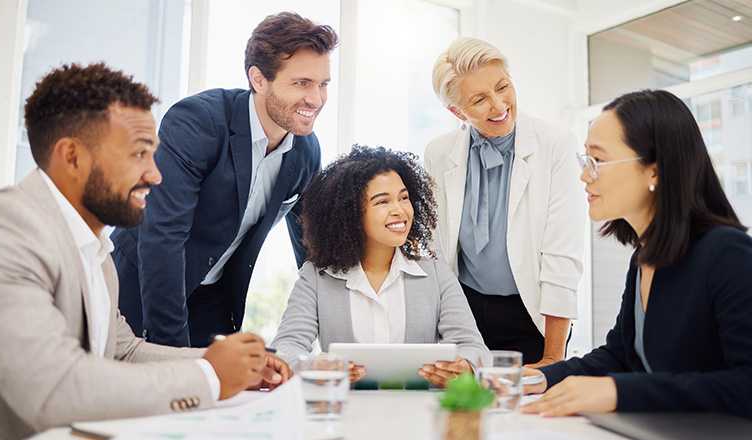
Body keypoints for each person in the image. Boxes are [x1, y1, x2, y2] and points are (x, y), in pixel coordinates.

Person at [0, 63, 292, 440]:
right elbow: (53, 387)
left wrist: (233, 366)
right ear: (71, 157)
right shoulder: (7, 229)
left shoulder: (93, 246)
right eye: (138, 154)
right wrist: (208, 377)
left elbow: (124, 350)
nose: (155, 174)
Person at [110, 12, 338, 348]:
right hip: (143, 283)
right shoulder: (199, 121)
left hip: (214, 296)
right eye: (302, 83)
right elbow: (163, 237)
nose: (317, 99)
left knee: (224, 392)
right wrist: (175, 356)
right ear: (259, 80)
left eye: (323, 84)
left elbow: (312, 250)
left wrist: (332, 341)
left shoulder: (306, 150)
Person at [521, 89, 752, 419]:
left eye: (598, 161)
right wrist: (541, 377)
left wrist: (618, 392)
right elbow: (619, 356)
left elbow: (746, 384)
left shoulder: (727, 254)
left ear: (654, 171)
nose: (585, 175)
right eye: (584, 161)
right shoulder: (645, 257)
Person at [271, 145, 490, 387]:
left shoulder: (435, 272)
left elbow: (472, 346)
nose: (400, 210)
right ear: (351, 214)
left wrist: (466, 366)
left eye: (404, 198)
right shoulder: (316, 277)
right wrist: (312, 366)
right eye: (382, 201)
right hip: (345, 411)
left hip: (417, 411)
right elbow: (285, 348)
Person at [425, 37, 585, 367]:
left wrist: (553, 357)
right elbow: (435, 253)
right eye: (480, 99)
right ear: (457, 110)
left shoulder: (555, 145)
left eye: (502, 87)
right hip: (464, 314)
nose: (499, 105)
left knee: (523, 412)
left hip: (532, 315)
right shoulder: (439, 154)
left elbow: (561, 255)